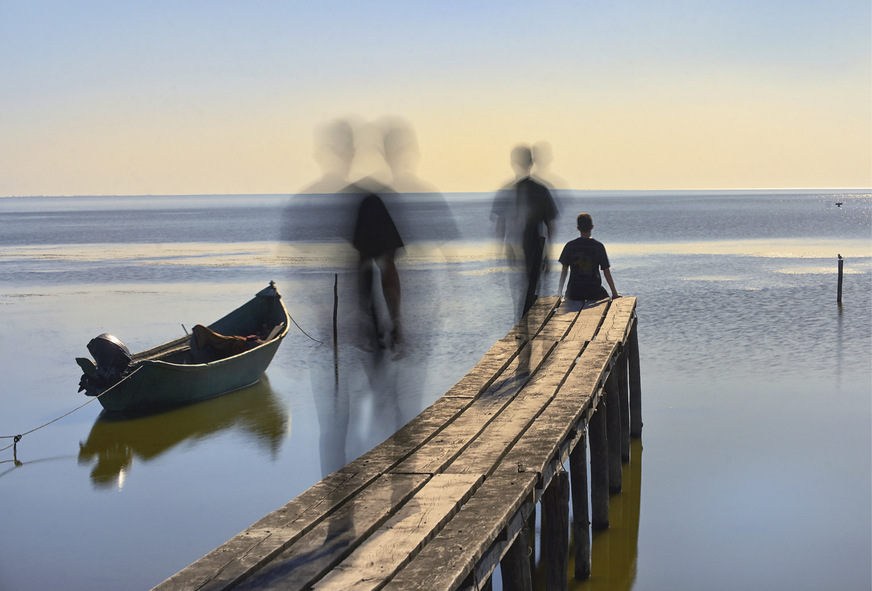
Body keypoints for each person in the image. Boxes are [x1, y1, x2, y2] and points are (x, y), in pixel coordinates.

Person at [491, 145, 559, 318]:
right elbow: (550, 224)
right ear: (532, 163)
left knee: (518, 296)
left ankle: (520, 329)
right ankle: (529, 330)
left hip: (513, 249)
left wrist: (499, 254)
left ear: (513, 163)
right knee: (533, 293)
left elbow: (500, 225)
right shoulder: (541, 190)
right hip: (534, 246)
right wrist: (549, 254)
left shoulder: (507, 190)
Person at [558, 213, 620, 301]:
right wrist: (614, 294)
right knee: (605, 296)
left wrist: (559, 292)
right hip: (593, 291)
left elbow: (564, 271)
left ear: (578, 228)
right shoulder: (598, 246)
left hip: (574, 292)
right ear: (592, 227)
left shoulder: (570, 246)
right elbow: (607, 272)